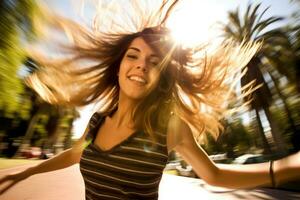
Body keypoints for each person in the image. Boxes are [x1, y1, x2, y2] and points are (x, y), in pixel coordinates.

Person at [0, 0, 300, 199]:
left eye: (155, 62)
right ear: (118, 67)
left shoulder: (169, 128)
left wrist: (285, 168)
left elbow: (215, 175)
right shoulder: (97, 121)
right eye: (133, 55)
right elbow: (75, 153)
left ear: (162, 78)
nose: (142, 65)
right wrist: (26, 171)